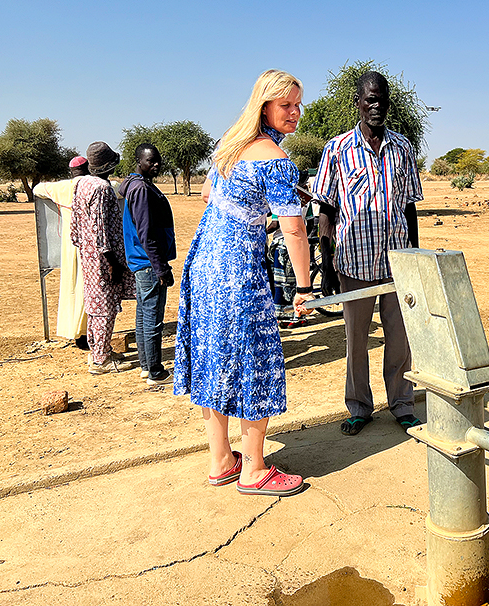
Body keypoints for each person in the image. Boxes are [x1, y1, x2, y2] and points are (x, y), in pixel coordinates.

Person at [174, 69, 313, 496]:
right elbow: (294, 230)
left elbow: (206, 197)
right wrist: (304, 289)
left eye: (297, 104)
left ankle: (220, 461)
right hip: (238, 269)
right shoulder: (275, 159)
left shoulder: (228, 147)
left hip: (205, 263)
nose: (294, 112)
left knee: (212, 358)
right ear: (265, 105)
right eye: (286, 104)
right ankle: (254, 469)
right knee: (255, 360)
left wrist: (253, 213)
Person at [311, 71, 423, 435]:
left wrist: (415, 259)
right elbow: (325, 211)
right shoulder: (338, 148)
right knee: (356, 341)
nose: (377, 107)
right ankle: (359, 407)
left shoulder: (403, 148)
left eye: (383, 100)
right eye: (370, 100)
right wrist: (326, 268)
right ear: (357, 102)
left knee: (400, 339)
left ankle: (402, 404)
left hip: (396, 263)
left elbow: (409, 208)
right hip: (353, 263)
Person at [70, 142, 135, 375]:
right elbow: (101, 230)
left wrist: (85, 249)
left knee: (95, 305)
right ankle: (101, 361)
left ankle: (100, 350)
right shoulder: (101, 188)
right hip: (103, 258)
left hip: (89, 256)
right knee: (105, 308)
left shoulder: (82, 184)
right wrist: (111, 262)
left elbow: (76, 226)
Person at [120, 144, 176, 386]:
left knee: (144, 315)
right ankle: (155, 371)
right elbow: (146, 232)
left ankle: (146, 366)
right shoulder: (141, 189)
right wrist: (161, 267)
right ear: (138, 161)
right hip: (148, 262)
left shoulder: (137, 185)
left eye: (158, 161)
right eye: (151, 161)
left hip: (142, 262)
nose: (156, 165)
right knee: (153, 317)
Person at [33, 156, 90, 348]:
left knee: (71, 288)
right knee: (88, 289)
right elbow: (116, 187)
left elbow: (38, 189)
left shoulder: (62, 188)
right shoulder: (94, 186)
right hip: (90, 246)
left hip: (69, 246)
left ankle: (72, 330)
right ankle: (86, 332)